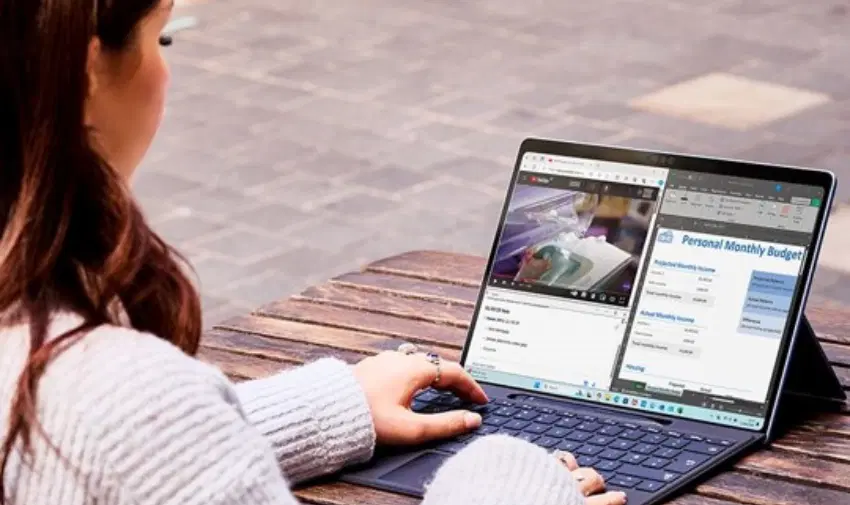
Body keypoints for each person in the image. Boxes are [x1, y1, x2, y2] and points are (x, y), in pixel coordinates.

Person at [0, 1, 628, 504]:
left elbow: (101, 456)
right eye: (160, 39)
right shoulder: (119, 392)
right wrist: (511, 478)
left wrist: (332, 409)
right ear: (85, 68)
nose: (167, 70)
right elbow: (124, 431)